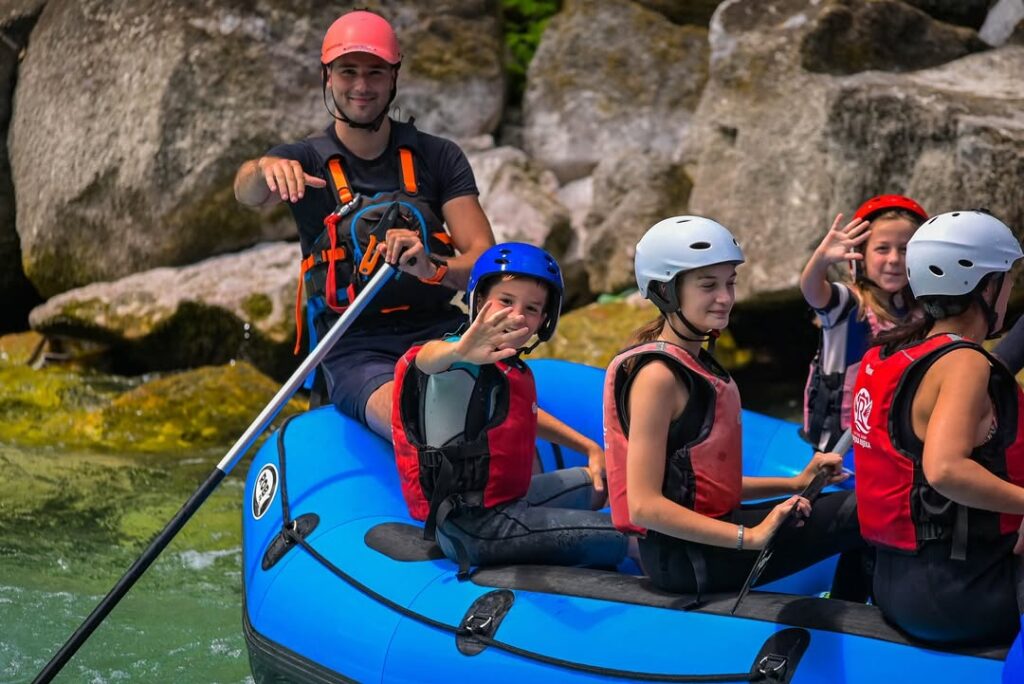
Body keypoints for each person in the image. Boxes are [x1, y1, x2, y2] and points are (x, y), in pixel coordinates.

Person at [233, 9, 495, 439]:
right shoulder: (302, 160)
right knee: (414, 419)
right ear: (327, 76)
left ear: (394, 76)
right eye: (347, 71)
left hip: (441, 330)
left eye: (375, 72)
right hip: (353, 346)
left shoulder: (439, 157)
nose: (361, 86)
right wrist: (263, 168)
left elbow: (484, 258)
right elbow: (247, 193)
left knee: (499, 411)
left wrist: (433, 267)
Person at [603, 216, 868, 599]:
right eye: (708, 285)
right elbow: (644, 506)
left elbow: (703, 490)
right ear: (665, 292)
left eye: (730, 283)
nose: (725, 297)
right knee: (862, 512)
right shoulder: (657, 377)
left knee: (857, 504)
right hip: (687, 561)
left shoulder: (694, 361)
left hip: (703, 542)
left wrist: (795, 483)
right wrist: (752, 536)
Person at [391, 243, 626, 575]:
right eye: (505, 301)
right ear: (478, 300)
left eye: (531, 309)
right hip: (476, 528)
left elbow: (524, 414)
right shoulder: (459, 363)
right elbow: (428, 361)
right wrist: (460, 350)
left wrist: (588, 447)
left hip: (506, 502)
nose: (517, 316)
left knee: (599, 481)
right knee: (626, 536)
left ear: (545, 319)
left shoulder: (503, 368)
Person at [850, 210, 1024, 646]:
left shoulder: (894, 350)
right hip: (957, 596)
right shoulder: (964, 361)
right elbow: (945, 469)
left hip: (895, 585)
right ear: (987, 287)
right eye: (1007, 279)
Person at [800, 195, 927, 452]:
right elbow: (812, 291)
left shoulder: (921, 313)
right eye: (882, 248)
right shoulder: (847, 304)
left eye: (905, 249)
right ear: (860, 257)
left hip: (894, 441)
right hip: (841, 447)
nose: (894, 259)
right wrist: (821, 260)